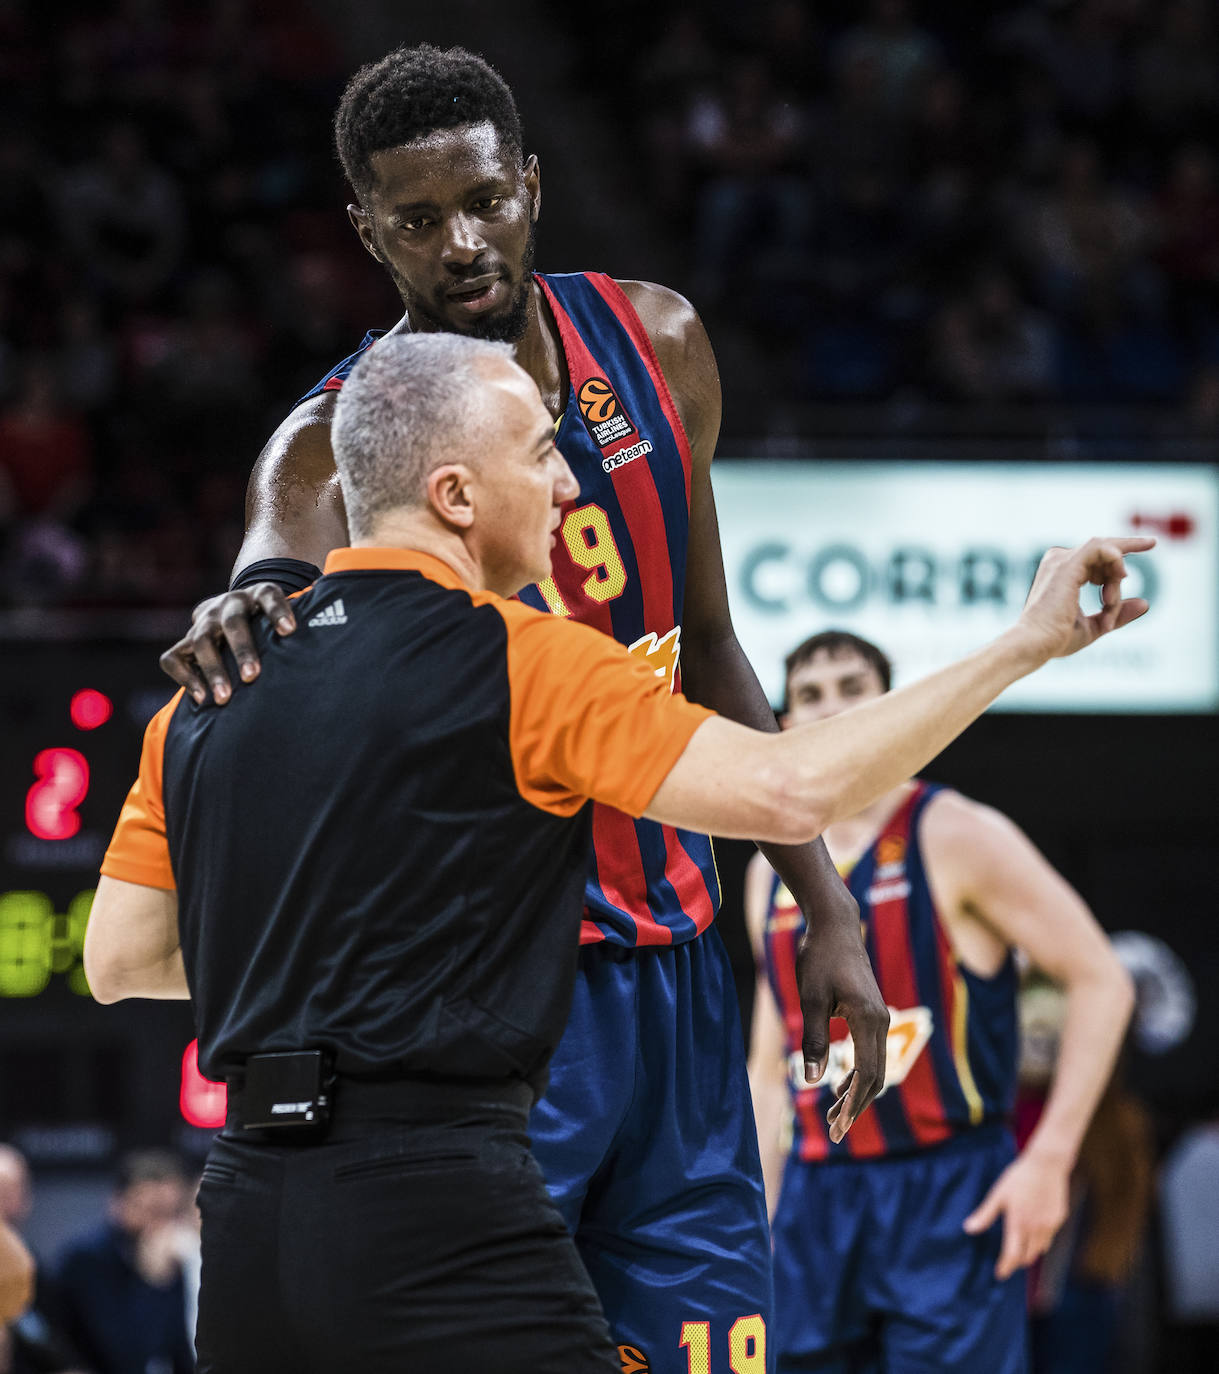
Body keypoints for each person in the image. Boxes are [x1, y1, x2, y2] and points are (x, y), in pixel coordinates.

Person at [89, 331, 1149, 1373]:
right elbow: (789, 791)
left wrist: (338, 949)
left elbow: (119, 962)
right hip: (436, 1208)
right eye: (542, 454)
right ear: (456, 496)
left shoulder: (207, 696)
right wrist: (1025, 643)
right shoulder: (526, 659)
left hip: (248, 1220)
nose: (563, 486)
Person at [156, 43, 891, 1366]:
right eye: (418, 219)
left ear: (533, 186)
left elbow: (710, 642)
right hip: (489, 1008)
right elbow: (265, 578)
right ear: (365, 229)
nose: (461, 243)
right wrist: (240, 598)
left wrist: (816, 902)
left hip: (677, 971)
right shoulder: (330, 442)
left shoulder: (657, 341)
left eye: (484, 202)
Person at [746, 631, 1137, 1374]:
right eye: (811, 694)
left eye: (853, 687)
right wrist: (756, 1209)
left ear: (895, 707)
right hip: (816, 1193)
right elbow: (770, 1067)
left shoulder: (958, 834)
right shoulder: (771, 872)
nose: (833, 707)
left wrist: (1048, 1161)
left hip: (948, 1184)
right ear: (787, 723)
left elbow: (1102, 980)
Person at [47, 1152, 194, 1374]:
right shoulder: (86, 1259)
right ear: (118, 1203)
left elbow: (180, 1350)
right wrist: (153, 1283)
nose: (162, 1225)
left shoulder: (170, 1259)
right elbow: (126, 1357)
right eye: (152, 1210)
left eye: (171, 1213)